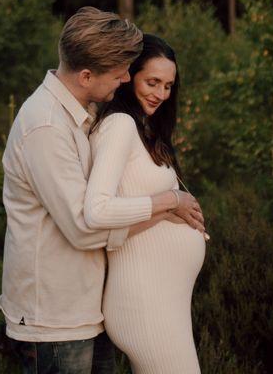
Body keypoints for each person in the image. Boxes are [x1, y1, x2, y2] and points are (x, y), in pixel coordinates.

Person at [0, 8, 205, 374]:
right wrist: (168, 204)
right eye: (119, 73)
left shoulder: (79, 116)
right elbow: (84, 227)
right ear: (85, 75)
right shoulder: (46, 126)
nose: (126, 78)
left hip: (85, 310)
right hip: (55, 319)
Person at [84, 34, 206, 374]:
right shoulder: (120, 126)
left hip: (165, 301)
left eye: (168, 86)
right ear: (129, 76)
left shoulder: (143, 128)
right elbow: (99, 210)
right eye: (152, 82)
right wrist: (170, 203)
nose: (160, 94)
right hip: (144, 302)